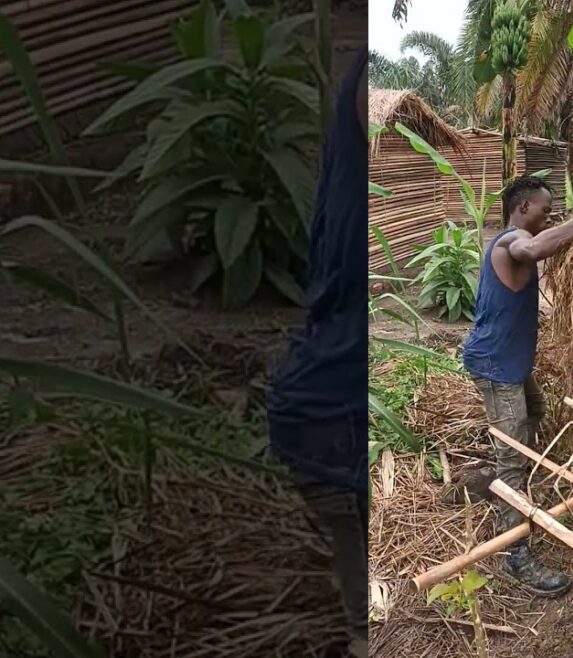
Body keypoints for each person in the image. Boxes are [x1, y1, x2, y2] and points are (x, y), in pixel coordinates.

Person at [461, 175, 573, 597]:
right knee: (515, 457)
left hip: (511, 363)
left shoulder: (514, 243)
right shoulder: (513, 241)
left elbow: (541, 251)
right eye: (545, 211)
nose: (549, 218)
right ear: (523, 207)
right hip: (496, 365)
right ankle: (517, 555)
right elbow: (535, 247)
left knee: (535, 414)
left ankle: (492, 480)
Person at [266, 52, 368, 657]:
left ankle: (361, 627)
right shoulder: (362, 74)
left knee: (318, 426)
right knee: (308, 419)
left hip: (348, 312)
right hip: (344, 312)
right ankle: (361, 623)